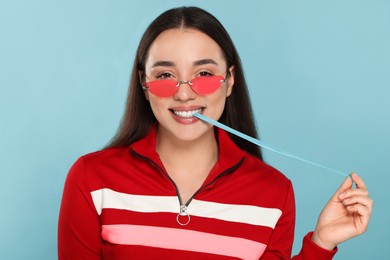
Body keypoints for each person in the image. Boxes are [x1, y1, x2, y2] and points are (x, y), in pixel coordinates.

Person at [58, 6, 373, 259]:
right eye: (165, 74)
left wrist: (321, 242)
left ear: (230, 80)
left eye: (204, 74)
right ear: (144, 83)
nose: (184, 95)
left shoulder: (274, 192)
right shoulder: (91, 177)